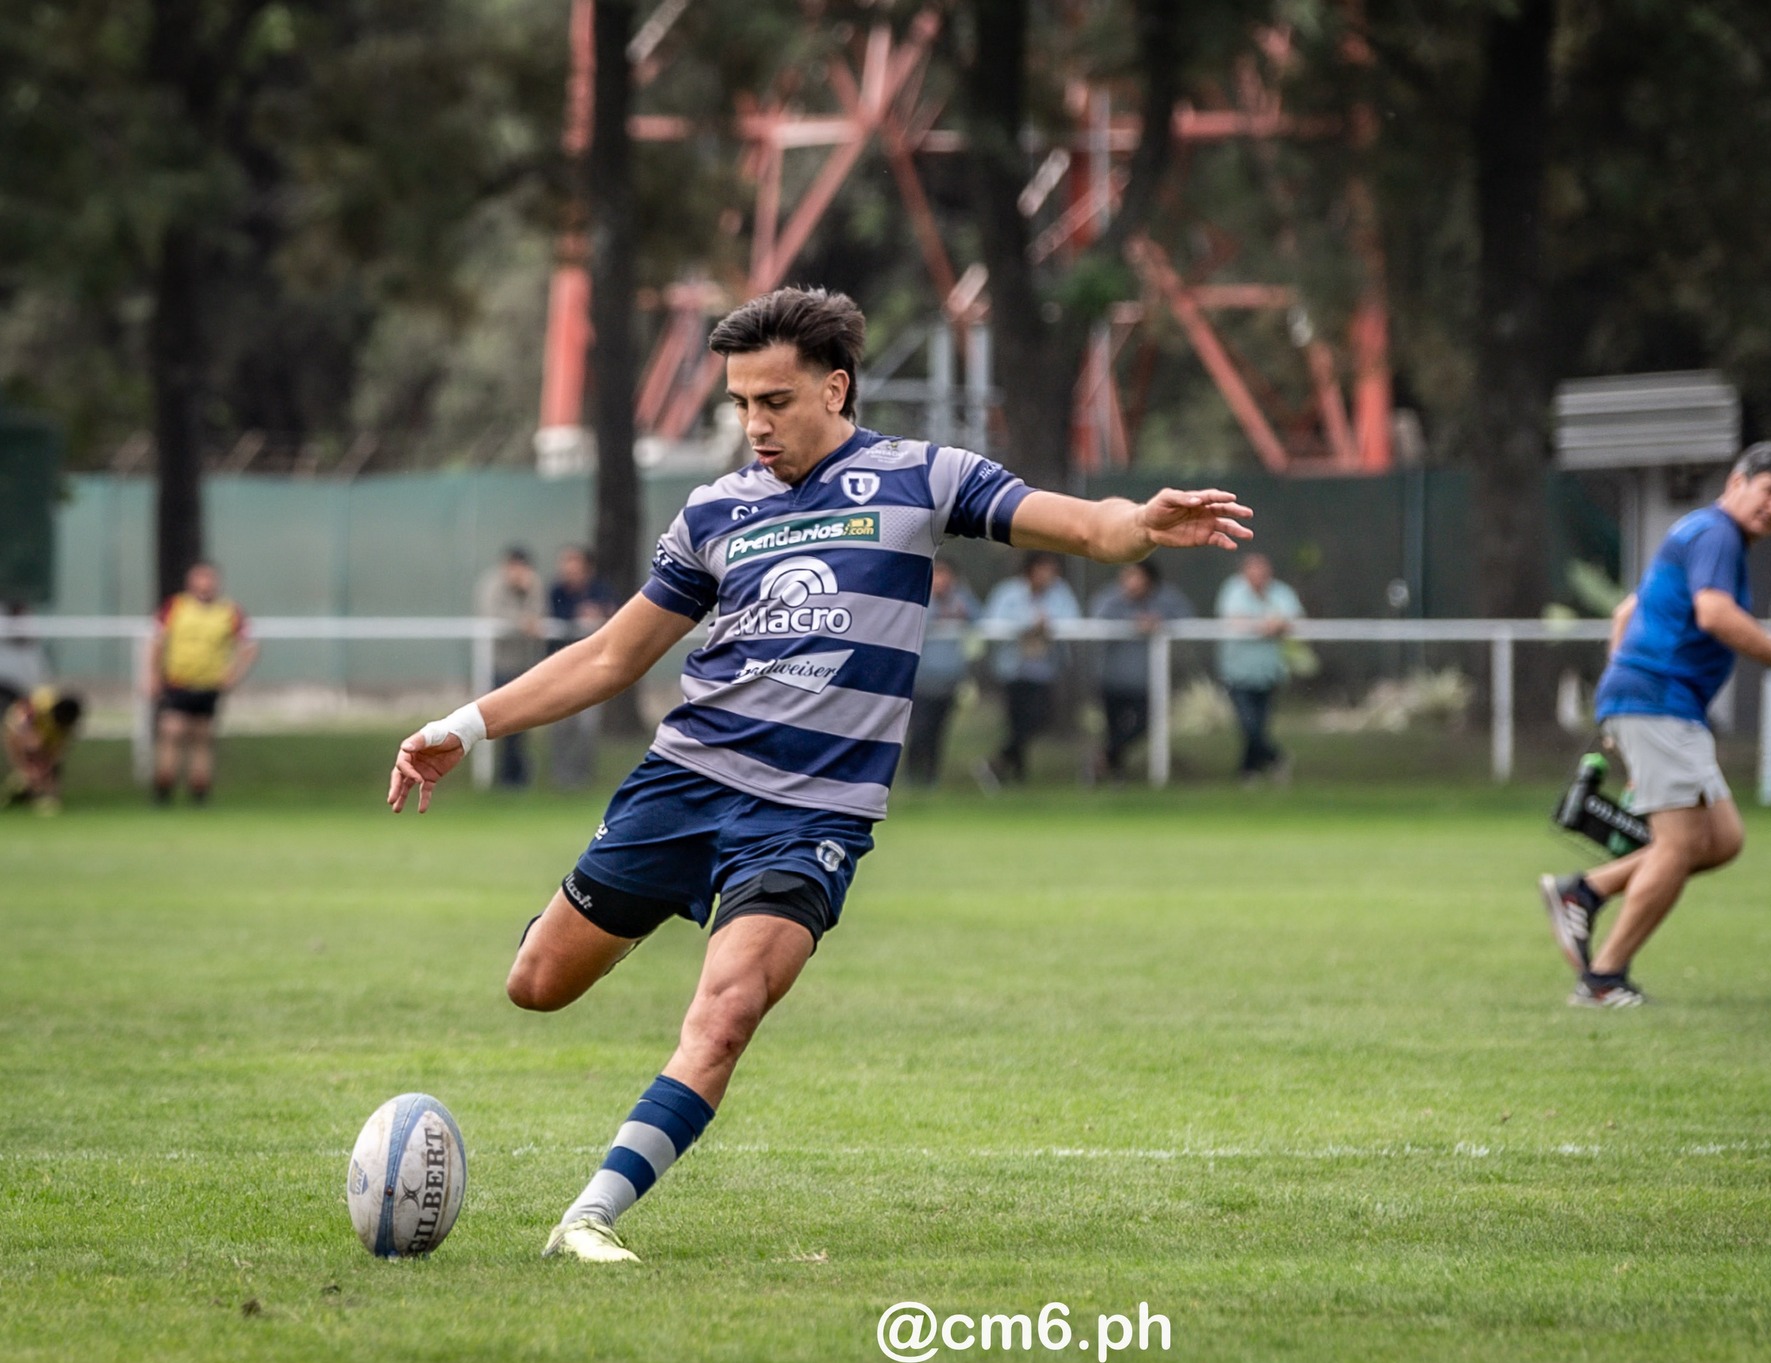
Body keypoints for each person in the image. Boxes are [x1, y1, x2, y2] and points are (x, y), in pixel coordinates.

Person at [384, 286, 1252, 1264]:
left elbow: (1082, 528)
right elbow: (607, 658)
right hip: (685, 783)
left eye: (775, 401)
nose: (754, 424)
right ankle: (627, 911)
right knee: (535, 985)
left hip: (811, 818)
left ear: (835, 388)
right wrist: (465, 723)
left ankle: (587, 1217)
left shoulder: (922, 477)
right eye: (740, 404)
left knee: (725, 1011)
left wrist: (1139, 520)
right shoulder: (714, 511)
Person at [1538, 442, 1771, 1008]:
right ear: (1737, 482)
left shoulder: (1700, 533)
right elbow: (1714, 614)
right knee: (1679, 847)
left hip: (1655, 702)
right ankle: (1603, 980)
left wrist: (1618, 703)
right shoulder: (1717, 535)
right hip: (1660, 700)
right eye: (1770, 490)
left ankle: (1582, 893)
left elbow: (1626, 613)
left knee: (1721, 840)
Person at [149, 561, 259, 806]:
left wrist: (234, 674)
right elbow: (156, 642)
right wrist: (154, 675)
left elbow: (250, 646)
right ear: (191, 581)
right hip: (178, 681)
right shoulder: (175, 606)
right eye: (200, 578)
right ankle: (163, 789)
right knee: (172, 731)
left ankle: (199, 795)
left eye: (209, 579)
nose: (205, 584)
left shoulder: (229, 611)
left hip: (209, 685)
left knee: (202, 736)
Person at [978, 551, 1082, 786]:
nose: (1049, 575)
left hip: (1045, 668)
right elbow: (993, 623)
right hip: (1013, 668)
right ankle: (1015, 775)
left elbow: (1073, 621)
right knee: (1018, 721)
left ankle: (999, 762)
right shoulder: (1008, 593)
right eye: (1045, 569)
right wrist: (1027, 626)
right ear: (1031, 570)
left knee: (1039, 718)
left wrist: (1049, 626)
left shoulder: (1060, 593)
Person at [1088, 560, 1191, 781]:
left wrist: (1160, 622)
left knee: (1147, 721)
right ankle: (1114, 772)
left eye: (1136, 576)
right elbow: (1097, 619)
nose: (1130, 582)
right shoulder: (1111, 598)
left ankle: (1104, 757)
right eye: (1127, 576)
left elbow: (1186, 617)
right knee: (1113, 727)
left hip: (1148, 680)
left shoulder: (1165, 598)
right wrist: (1131, 622)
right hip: (1112, 677)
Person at [1214, 552, 1304, 783]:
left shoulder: (1281, 592)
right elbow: (1233, 620)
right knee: (1249, 725)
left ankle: (1248, 772)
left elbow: (1293, 618)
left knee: (1259, 725)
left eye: (1262, 571)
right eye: (1253, 571)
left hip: (1269, 672)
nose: (1258, 576)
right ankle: (1276, 757)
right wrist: (1262, 626)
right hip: (1237, 672)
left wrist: (1276, 625)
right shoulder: (1233, 590)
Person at [903, 559, 979, 786]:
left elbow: (980, 618)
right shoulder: (919, 597)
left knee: (938, 731)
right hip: (922, 679)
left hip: (950, 680)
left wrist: (963, 609)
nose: (941, 581)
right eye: (937, 575)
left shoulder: (961, 599)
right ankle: (912, 774)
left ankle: (930, 777)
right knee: (921, 728)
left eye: (945, 575)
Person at [475, 547, 546, 788]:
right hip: (498, 664)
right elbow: (492, 615)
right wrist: (521, 622)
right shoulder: (492, 584)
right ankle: (502, 775)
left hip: (525, 666)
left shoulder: (533, 585)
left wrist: (525, 595)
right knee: (497, 722)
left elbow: (539, 616)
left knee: (522, 722)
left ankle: (517, 775)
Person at [548, 546, 617, 788]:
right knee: (561, 725)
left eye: (574, 565)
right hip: (561, 669)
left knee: (587, 725)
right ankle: (562, 778)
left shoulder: (600, 590)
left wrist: (597, 615)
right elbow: (552, 620)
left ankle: (583, 778)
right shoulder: (556, 591)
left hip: (591, 669)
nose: (569, 571)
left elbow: (615, 615)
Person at [4, 685, 85, 815]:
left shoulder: (66, 727)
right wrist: (30, 738)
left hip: (44, 736)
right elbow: (19, 721)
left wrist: (49, 763)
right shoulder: (42, 703)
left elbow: (58, 751)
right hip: (18, 731)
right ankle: (25, 790)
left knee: (47, 765)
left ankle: (40, 795)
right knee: (31, 759)